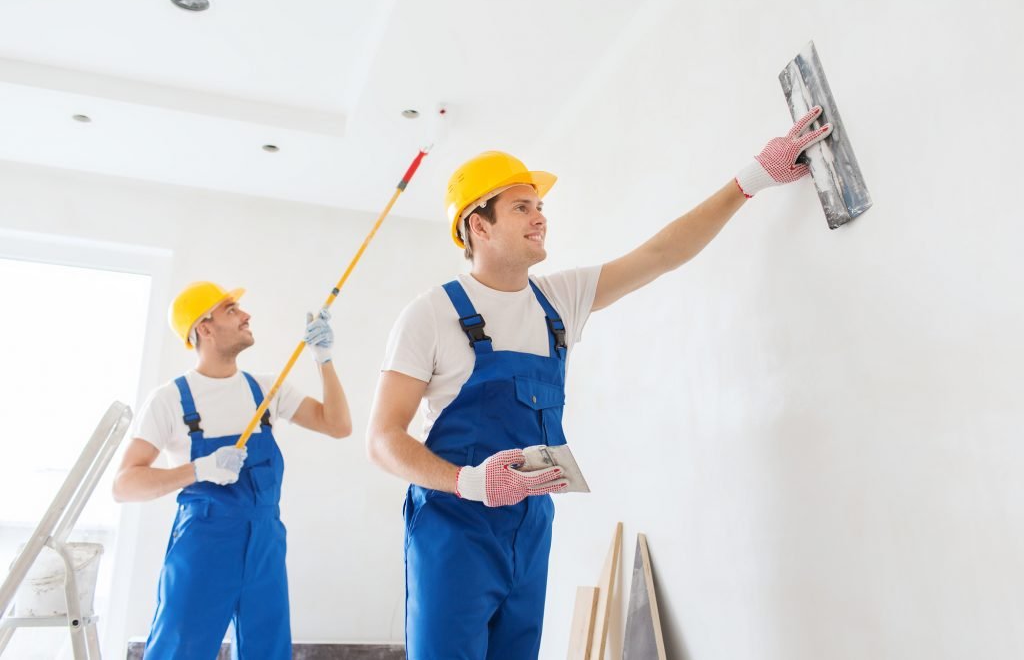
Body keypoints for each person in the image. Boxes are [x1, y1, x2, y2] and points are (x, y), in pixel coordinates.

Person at [366, 108, 832, 659]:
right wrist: (472, 483)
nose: (540, 218)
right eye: (522, 207)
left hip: (530, 525)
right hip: (454, 528)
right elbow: (383, 440)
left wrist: (751, 179)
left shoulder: (555, 301)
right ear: (477, 224)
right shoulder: (432, 315)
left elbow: (662, 254)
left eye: (540, 207)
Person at [113, 281, 352, 659]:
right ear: (204, 328)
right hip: (204, 543)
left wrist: (324, 359)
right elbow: (124, 485)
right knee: (181, 650)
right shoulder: (171, 399)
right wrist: (198, 469)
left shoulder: (265, 390)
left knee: (267, 651)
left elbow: (338, 425)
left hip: (266, 543)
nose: (245, 315)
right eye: (230, 309)